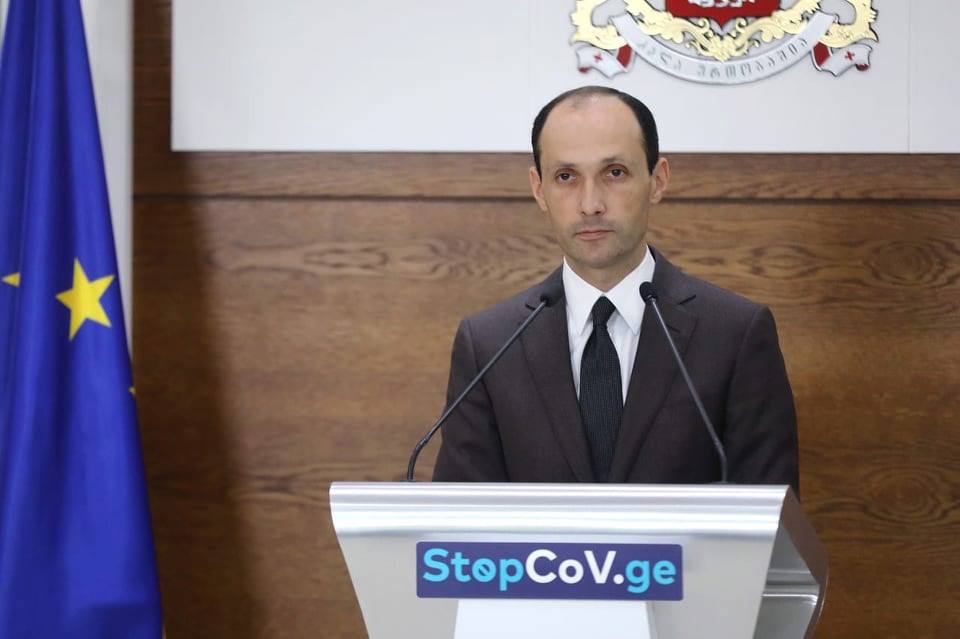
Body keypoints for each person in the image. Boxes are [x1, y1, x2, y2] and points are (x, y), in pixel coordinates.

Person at [432, 86, 799, 493]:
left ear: (657, 180)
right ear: (539, 189)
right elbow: (458, 519)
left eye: (615, 173)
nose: (590, 204)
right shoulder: (489, 345)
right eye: (566, 177)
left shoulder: (734, 334)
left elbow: (770, 515)